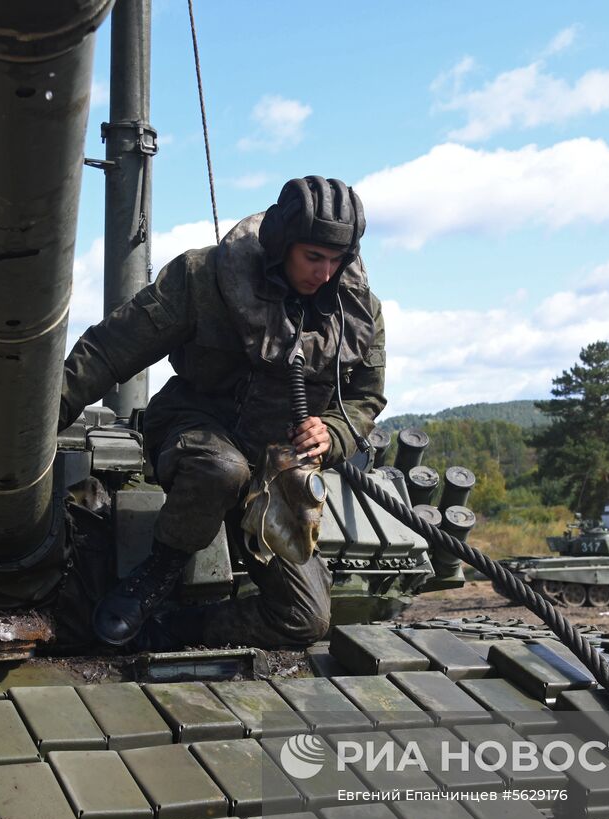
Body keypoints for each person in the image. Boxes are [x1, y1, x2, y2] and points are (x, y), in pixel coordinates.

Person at [59, 176, 386, 649]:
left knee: (305, 620)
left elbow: (366, 399)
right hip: (195, 431)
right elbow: (110, 350)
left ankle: (172, 631)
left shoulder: (358, 314)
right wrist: (32, 427)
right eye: (313, 258)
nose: (326, 273)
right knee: (221, 467)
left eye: (338, 260)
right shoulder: (204, 278)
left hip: (275, 471)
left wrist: (333, 432)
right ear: (281, 244)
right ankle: (160, 570)